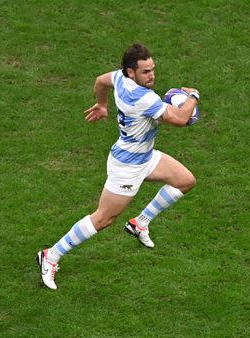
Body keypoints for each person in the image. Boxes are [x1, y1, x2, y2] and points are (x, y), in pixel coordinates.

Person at [36, 43, 199, 290]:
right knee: (103, 218)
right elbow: (180, 118)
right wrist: (193, 97)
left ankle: (139, 223)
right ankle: (51, 255)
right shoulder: (143, 97)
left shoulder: (120, 79)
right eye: (146, 72)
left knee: (185, 181)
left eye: (153, 69)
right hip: (127, 167)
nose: (152, 75)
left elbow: (101, 81)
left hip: (145, 156)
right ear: (131, 72)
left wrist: (101, 104)